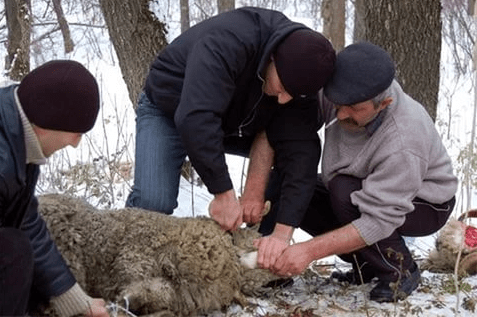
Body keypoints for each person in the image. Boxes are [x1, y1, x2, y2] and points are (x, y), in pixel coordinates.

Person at [125, 5, 336, 259]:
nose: (283, 100)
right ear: (272, 57)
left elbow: (302, 153)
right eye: (282, 88)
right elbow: (196, 118)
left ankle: (261, 249)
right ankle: (127, 259)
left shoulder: (300, 76)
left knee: (290, 153)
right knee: (154, 201)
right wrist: (223, 193)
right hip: (171, 109)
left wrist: (282, 233)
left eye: (292, 95)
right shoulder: (229, 41)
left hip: (239, 123)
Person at [257, 42, 458, 302]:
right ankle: (366, 266)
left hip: (426, 203)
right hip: (361, 187)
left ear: (383, 103)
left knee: (344, 192)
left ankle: (400, 270)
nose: (340, 115)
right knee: (296, 187)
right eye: (337, 103)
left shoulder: (403, 139)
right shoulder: (341, 92)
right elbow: (289, 129)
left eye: (353, 108)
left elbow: (378, 220)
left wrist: (308, 251)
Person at [0, 60, 109, 316]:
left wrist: (75, 300)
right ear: (47, 124)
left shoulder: (17, 133)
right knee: (12, 252)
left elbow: (26, 221)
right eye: (76, 133)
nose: (75, 144)